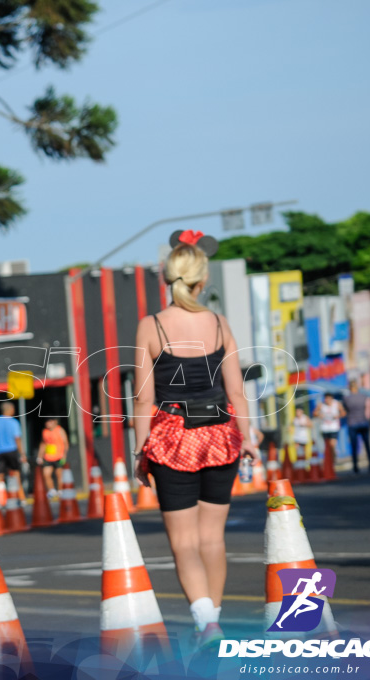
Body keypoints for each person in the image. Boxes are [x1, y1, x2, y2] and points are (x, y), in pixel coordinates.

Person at [132, 229, 260, 647]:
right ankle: (214, 617)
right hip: (221, 436)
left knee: (184, 542)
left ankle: (206, 621)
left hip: (171, 439)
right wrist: (250, 436)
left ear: (168, 278)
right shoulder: (220, 324)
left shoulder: (151, 326)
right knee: (212, 538)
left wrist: (139, 450)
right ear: (202, 281)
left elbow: (143, 397)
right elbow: (237, 390)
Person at [0, 401, 26, 495]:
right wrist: (22, 454)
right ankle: (21, 497)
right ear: (10, 410)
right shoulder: (14, 422)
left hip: (0, 451)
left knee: (0, 475)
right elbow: (17, 439)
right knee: (16, 474)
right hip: (12, 450)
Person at [343, 378, 370, 474]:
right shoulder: (363, 396)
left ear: (350, 387)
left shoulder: (347, 398)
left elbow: (346, 409)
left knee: (354, 446)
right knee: (367, 446)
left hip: (352, 423)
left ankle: (355, 467)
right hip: (364, 422)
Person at [36, 419, 69, 500]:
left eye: (50, 421)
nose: (48, 424)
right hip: (48, 457)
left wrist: (64, 456)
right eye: (46, 422)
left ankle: (60, 491)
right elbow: (43, 444)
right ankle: (52, 491)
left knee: (59, 475)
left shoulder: (60, 430)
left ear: (55, 422)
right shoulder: (45, 432)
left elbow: (66, 443)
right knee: (46, 474)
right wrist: (39, 456)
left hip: (58, 456)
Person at [314, 393, 345, 474]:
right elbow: (314, 413)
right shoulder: (321, 405)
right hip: (325, 429)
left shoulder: (337, 404)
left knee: (332, 445)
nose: (327, 400)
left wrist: (337, 415)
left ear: (331, 398)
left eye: (328, 399)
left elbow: (343, 413)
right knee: (327, 447)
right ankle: (329, 462)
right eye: (325, 399)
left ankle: (333, 462)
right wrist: (319, 414)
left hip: (334, 428)